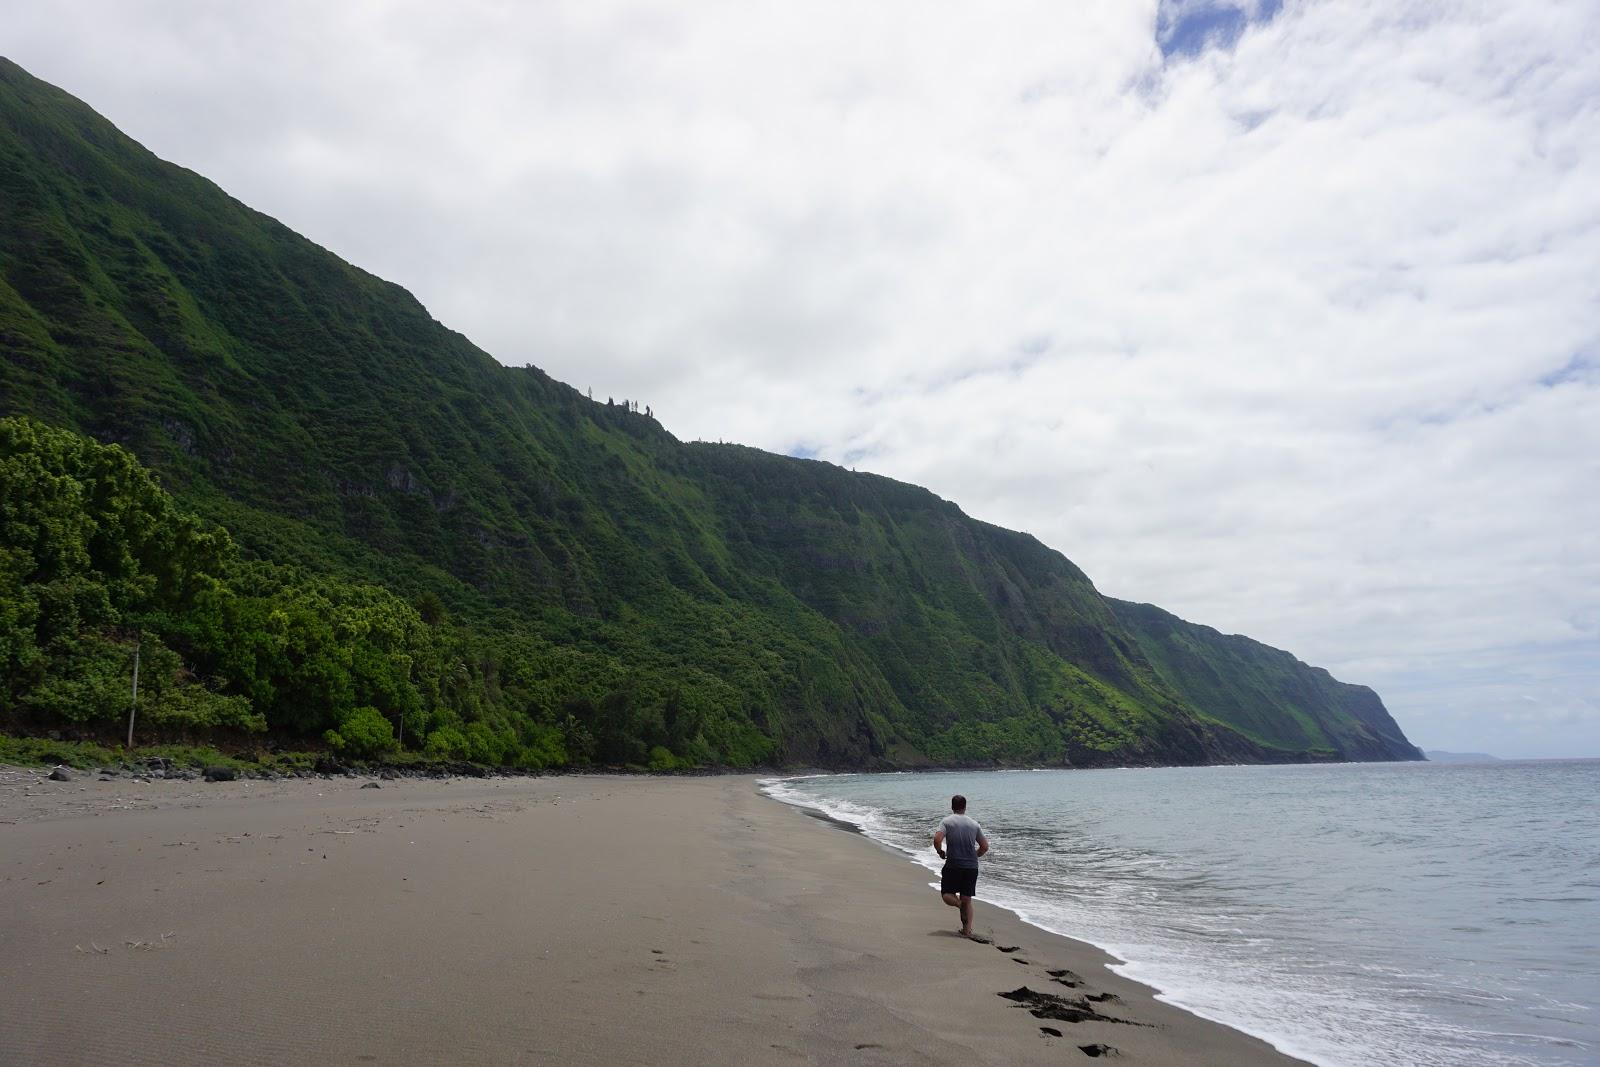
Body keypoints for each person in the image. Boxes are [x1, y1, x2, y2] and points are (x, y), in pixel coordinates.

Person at [933, 794, 988, 937]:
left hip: (953, 864)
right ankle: (967, 930)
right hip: (971, 867)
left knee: (946, 894)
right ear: (965, 807)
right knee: (967, 899)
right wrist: (975, 855)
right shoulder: (974, 824)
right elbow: (984, 847)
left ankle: (958, 904)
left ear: (952, 807)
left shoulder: (946, 822)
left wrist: (940, 851)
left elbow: (937, 839)